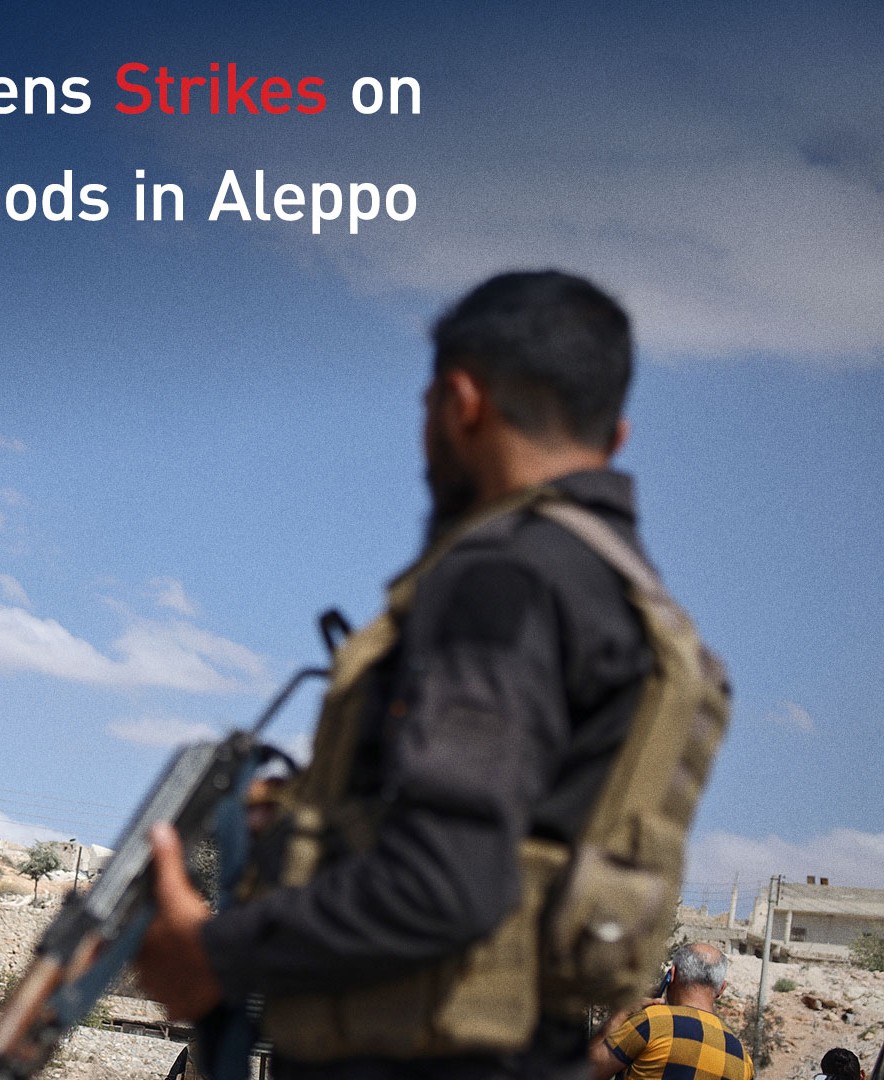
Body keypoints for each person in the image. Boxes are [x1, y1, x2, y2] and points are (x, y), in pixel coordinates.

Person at [133, 271, 730, 1080]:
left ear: (460, 402)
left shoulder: (500, 579)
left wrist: (216, 953)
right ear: (616, 437)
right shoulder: (645, 616)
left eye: (425, 412)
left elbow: (446, 880)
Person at [589, 943, 751, 1080]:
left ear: (672, 975)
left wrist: (620, 1016)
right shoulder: (743, 1061)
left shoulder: (651, 1023)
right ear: (721, 989)